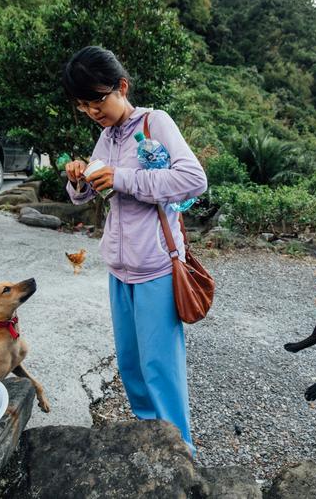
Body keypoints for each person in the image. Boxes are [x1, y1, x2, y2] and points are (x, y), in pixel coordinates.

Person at [61, 46, 207, 456]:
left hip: (157, 265)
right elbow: (87, 192)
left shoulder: (154, 122)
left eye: (98, 100)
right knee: (130, 363)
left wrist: (123, 178)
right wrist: (78, 179)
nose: (92, 111)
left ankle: (180, 453)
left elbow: (194, 180)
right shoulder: (106, 137)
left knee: (160, 368)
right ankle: (151, 440)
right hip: (119, 267)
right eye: (83, 105)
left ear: (121, 87)